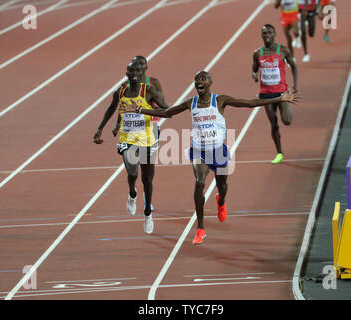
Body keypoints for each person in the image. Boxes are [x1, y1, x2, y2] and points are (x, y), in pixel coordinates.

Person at [121, 70, 301, 244]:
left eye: (203, 79)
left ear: (209, 83)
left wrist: (280, 98)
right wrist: (140, 110)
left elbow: (249, 103)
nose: (199, 81)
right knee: (199, 182)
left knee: (222, 186)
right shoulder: (190, 103)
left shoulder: (220, 100)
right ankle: (200, 228)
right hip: (199, 150)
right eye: (197, 79)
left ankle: (220, 202)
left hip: (218, 150)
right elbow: (167, 113)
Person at [93, 61, 169, 234]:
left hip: (148, 139)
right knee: (132, 173)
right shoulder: (120, 91)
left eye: (138, 70)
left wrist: (147, 113)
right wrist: (100, 129)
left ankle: (148, 213)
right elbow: (112, 109)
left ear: (143, 71)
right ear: (126, 72)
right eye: (131, 70)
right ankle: (132, 194)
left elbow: (166, 110)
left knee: (147, 180)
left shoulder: (150, 89)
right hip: (127, 139)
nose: (134, 72)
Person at [112, 55, 166, 211]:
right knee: (133, 167)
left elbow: (161, 104)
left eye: (142, 65)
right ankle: (133, 192)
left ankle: (146, 196)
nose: (139, 69)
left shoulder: (153, 84)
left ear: (145, 68)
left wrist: (149, 112)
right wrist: (117, 124)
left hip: (151, 125)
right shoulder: (126, 86)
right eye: (136, 66)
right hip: (131, 129)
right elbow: (124, 108)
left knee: (148, 166)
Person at [252, 24, 298, 164]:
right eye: (264, 33)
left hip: (282, 92)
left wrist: (295, 85)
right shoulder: (257, 53)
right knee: (274, 124)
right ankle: (279, 153)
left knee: (287, 121)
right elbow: (254, 69)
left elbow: (294, 67)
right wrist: (254, 75)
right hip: (266, 95)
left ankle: (287, 103)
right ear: (261, 35)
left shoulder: (283, 50)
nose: (267, 35)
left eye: (270, 32)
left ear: (275, 34)